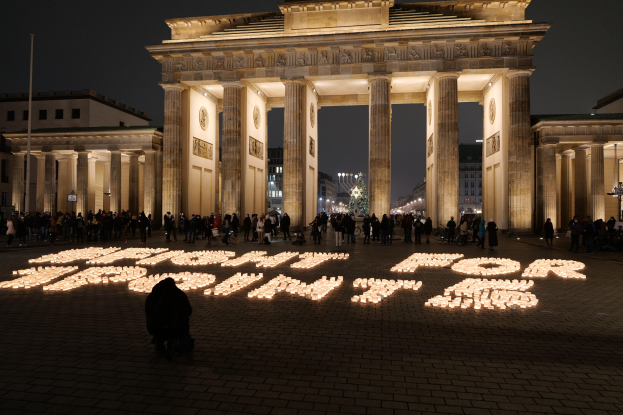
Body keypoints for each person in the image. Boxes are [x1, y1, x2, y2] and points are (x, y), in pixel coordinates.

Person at [145, 278, 194, 362]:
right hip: (175, 327)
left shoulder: (152, 296)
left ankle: (158, 343)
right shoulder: (179, 294)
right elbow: (188, 310)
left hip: (155, 327)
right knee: (187, 344)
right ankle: (176, 344)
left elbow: (147, 311)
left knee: (159, 332)